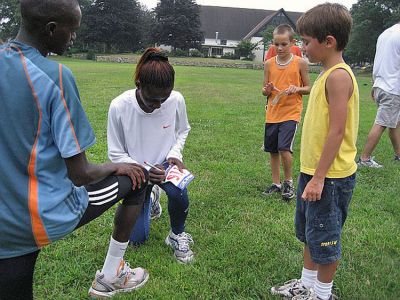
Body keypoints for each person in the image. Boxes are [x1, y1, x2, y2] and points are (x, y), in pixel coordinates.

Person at [0, 1, 150, 299]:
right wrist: (114, 165)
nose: (74, 38)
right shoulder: (55, 76)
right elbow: (81, 174)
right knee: (139, 179)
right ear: (51, 29)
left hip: (5, 222)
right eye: (72, 30)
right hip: (31, 218)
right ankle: (111, 275)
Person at [270, 4, 359, 300]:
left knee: (326, 240)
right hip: (313, 172)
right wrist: (311, 175)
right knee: (311, 233)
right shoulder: (326, 73)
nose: (302, 47)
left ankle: (322, 294)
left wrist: (319, 178)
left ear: (328, 41)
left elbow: (336, 130)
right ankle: (306, 285)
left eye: (306, 42)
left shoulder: (338, 76)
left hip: (329, 177)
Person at [107, 48, 195, 264]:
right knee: (137, 239)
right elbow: (115, 152)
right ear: (138, 85)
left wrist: (174, 153)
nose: (158, 106)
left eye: (163, 100)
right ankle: (151, 197)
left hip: (165, 164)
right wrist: (145, 173)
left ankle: (176, 234)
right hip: (135, 171)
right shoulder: (119, 106)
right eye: (153, 100)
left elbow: (183, 129)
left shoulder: (176, 100)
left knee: (177, 192)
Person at [261, 24, 311, 201]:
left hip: (291, 112)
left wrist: (296, 88)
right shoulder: (268, 64)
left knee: (284, 148)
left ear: (292, 43)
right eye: (276, 44)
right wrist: (267, 90)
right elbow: (264, 91)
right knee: (273, 150)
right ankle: (276, 183)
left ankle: (288, 182)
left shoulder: (301, 63)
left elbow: (308, 88)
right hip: (272, 113)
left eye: (284, 44)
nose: (280, 48)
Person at [357, 22, 400, 168]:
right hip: (393, 88)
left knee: (394, 123)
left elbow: (379, 61)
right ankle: (365, 159)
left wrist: (374, 83)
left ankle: (399, 155)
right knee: (382, 123)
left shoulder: (385, 34)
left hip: (381, 85)